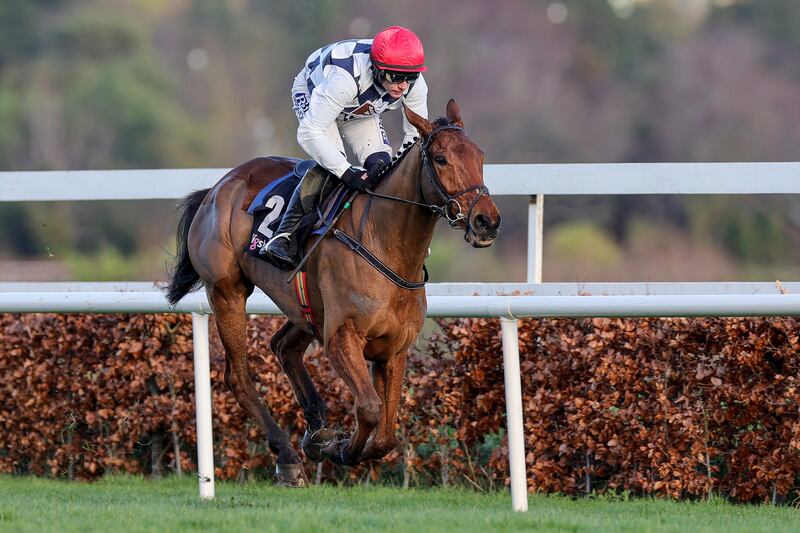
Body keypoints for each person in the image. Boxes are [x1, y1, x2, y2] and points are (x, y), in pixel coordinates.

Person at [263, 25, 429, 269]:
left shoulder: (415, 84)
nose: (404, 86)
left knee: (382, 165)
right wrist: (347, 172)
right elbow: (309, 132)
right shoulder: (344, 80)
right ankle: (283, 236)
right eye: (396, 78)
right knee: (332, 166)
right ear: (377, 69)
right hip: (316, 94)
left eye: (410, 78)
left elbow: (415, 137)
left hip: (360, 108)